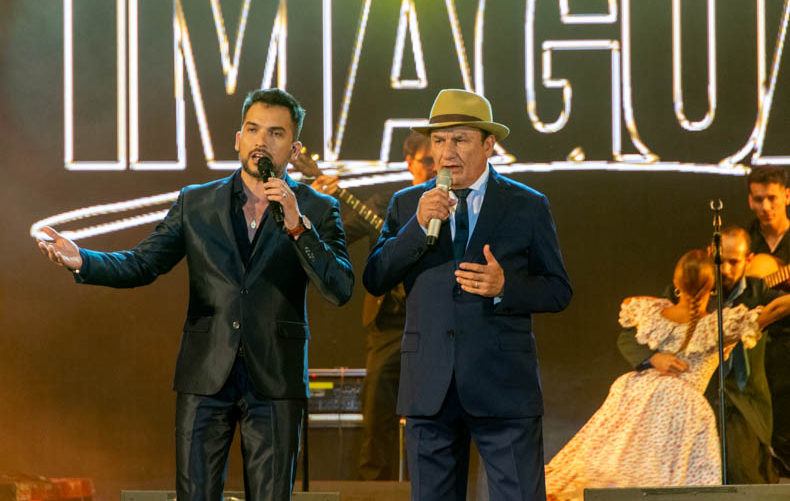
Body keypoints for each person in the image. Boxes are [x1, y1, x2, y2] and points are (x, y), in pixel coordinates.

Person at [37, 88, 354, 501]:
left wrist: (297, 225)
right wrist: (83, 260)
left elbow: (339, 288)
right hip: (205, 374)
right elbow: (143, 263)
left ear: (294, 150)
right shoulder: (196, 202)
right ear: (237, 139)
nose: (261, 141)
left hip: (276, 378)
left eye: (275, 133)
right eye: (253, 129)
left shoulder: (318, 208)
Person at [363, 88, 573, 501]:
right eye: (439, 140)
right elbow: (375, 277)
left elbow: (558, 290)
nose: (447, 152)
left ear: (488, 145)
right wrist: (416, 227)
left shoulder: (527, 205)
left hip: (503, 387)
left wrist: (505, 287)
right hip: (430, 389)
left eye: (460, 140)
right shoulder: (408, 204)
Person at [545, 250, 790, 501]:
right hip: (678, 406)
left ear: (676, 283)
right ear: (712, 287)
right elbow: (775, 309)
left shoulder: (655, 312)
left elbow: (632, 303)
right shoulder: (718, 325)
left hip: (636, 393)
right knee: (661, 476)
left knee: (614, 460)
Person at [310, 132, 436, 480]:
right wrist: (320, 203)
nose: (433, 167)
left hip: (437, 323)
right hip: (390, 325)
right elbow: (335, 238)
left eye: (437, 161)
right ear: (409, 163)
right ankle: (374, 488)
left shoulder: (455, 205)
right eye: (426, 161)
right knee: (378, 406)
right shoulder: (386, 205)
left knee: (434, 412)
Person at [618, 227, 779, 484]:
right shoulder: (687, 288)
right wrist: (653, 358)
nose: (725, 269)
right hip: (682, 404)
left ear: (748, 260)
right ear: (709, 254)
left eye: (734, 262)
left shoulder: (758, 290)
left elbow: (777, 311)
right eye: (720, 260)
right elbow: (632, 334)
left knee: (741, 472)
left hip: (738, 402)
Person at [745, 164, 790, 475]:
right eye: (758, 199)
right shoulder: (742, 242)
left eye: (772, 198)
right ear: (750, 200)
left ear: (787, 196)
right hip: (753, 346)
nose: (765, 206)